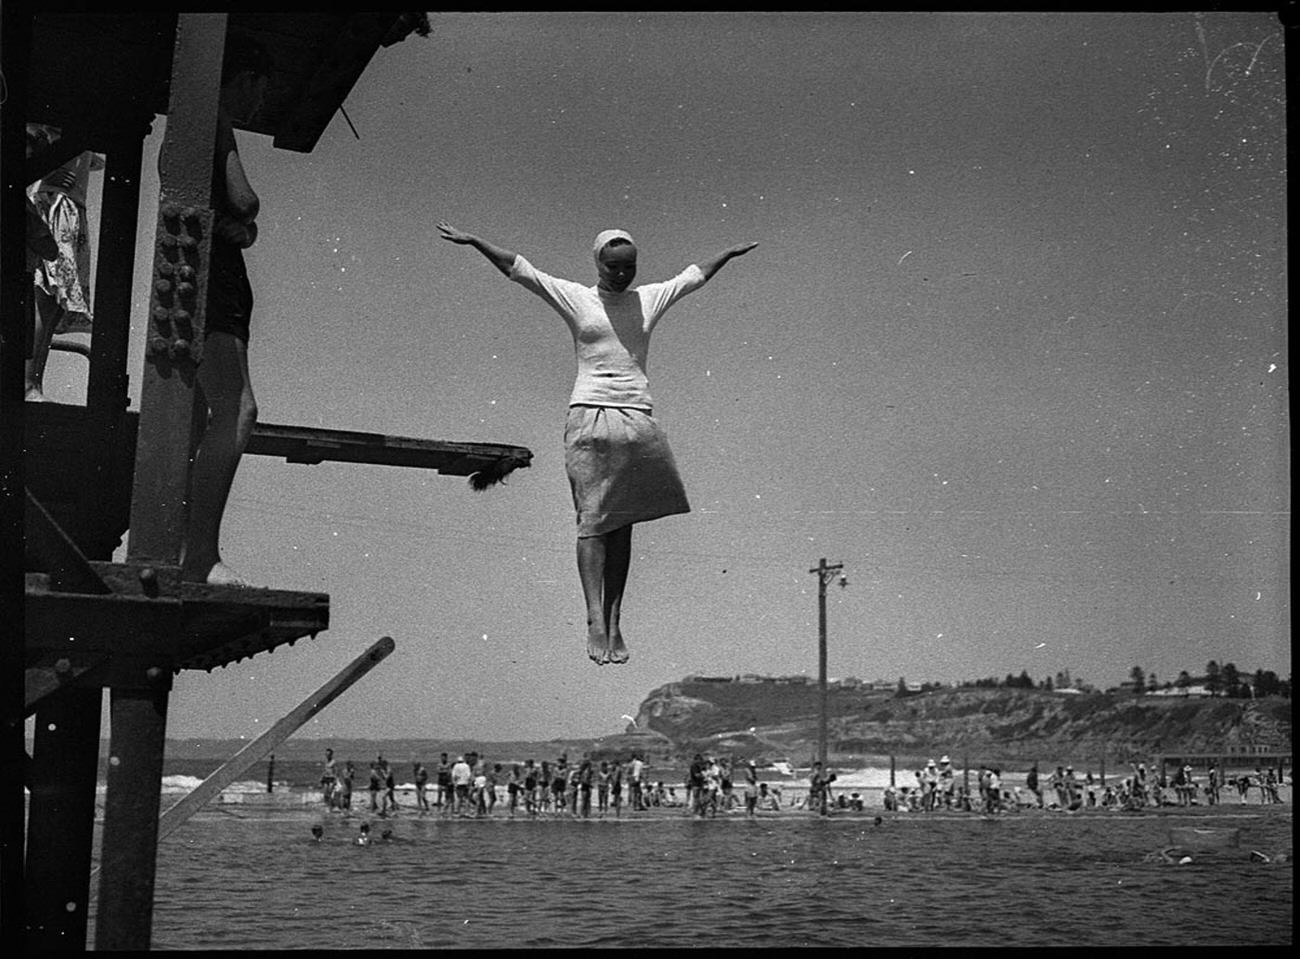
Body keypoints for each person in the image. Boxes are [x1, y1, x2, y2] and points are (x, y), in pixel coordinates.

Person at [438, 222, 757, 664]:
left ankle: (615, 619)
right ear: (598, 263)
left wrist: (729, 251)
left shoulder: (648, 299)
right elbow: (521, 270)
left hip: (637, 418)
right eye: (614, 267)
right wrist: (476, 242)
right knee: (593, 520)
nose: (623, 275)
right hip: (588, 416)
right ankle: (593, 618)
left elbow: (693, 276)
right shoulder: (578, 298)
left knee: (622, 522)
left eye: (630, 267)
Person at [181, 31, 272, 587]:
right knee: (237, 410)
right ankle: (201, 554)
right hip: (217, 282)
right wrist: (242, 218)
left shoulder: (198, 124)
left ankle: (187, 548)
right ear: (245, 79)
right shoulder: (216, 119)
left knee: (198, 416)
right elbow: (243, 200)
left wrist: (236, 224)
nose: (261, 102)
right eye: (261, 89)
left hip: (210, 273)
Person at [26, 145, 103, 402]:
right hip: (57, 201)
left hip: (69, 202)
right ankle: (27, 383)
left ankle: (33, 382)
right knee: (45, 298)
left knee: (54, 304)